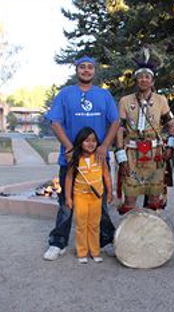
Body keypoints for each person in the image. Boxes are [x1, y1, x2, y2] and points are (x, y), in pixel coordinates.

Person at [43, 56, 119, 261]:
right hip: (70, 160)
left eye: (90, 67)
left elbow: (115, 121)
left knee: (99, 203)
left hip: (97, 159)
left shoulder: (103, 95)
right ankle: (58, 242)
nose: (86, 70)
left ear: (95, 71)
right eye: (82, 67)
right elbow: (55, 122)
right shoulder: (66, 94)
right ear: (77, 70)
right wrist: (69, 147)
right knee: (66, 203)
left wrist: (104, 146)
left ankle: (105, 240)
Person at [115, 49, 174, 213]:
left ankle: (153, 233)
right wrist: (120, 154)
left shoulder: (161, 100)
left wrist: (170, 147)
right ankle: (131, 234)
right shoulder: (125, 101)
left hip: (155, 152)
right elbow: (119, 128)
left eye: (147, 77)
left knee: (154, 196)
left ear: (152, 81)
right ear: (136, 79)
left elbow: (172, 125)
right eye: (140, 76)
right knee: (130, 196)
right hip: (132, 152)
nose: (143, 79)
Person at [65, 127, 113, 264]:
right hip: (80, 196)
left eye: (93, 140)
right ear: (80, 142)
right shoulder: (75, 158)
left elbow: (106, 175)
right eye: (87, 141)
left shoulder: (99, 157)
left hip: (96, 197)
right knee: (81, 224)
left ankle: (95, 251)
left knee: (94, 225)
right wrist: (68, 198)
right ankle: (82, 252)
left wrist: (110, 192)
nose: (91, 143)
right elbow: (68, 178)